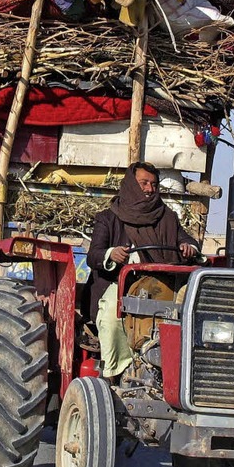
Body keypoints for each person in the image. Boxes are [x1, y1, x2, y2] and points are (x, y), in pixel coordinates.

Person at [86, 162, 199, 382]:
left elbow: (187, 241)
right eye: (144, 183)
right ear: (130, 185)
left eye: (154, 185)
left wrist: (189, 247)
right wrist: (111, 254)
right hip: (121, 285)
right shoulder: (108, 218)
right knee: (111, 316)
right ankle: (114, 373)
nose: (149, 189)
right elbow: (94, 255)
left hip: (163, 286)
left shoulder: (167, 217)